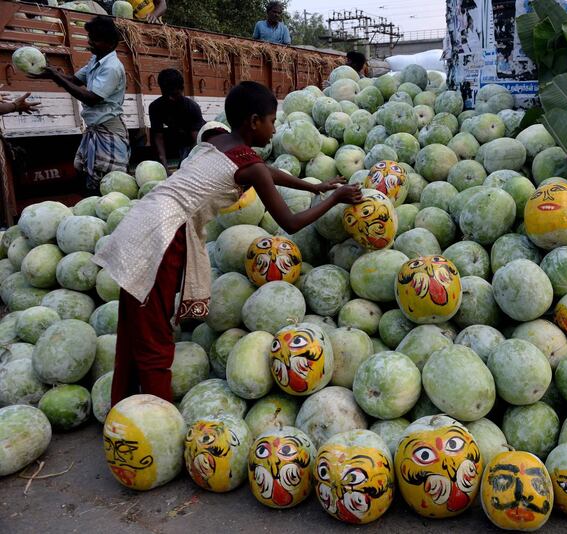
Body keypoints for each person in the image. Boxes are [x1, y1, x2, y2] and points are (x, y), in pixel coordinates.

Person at [93, 81, 361, 406]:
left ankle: (123, 406)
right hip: (161, 235)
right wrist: (334, 198)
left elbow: (267, 171)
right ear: (253, 121)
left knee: (134, 326)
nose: (275, 129)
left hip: (143, 221)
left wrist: (312, 187)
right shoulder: (250, 165)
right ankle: (153, 423)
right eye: (272, 121)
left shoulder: (220, 142)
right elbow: (290, 222)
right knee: (153, 337)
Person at [29, 16, 129, 195]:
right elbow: (74, 80)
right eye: (89, 38)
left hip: (109, 130)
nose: (90, 43)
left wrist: (56, 76)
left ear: (110, 42)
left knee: (110, 183)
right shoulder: (96, 59)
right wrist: (50, 73)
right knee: (87, 178)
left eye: (95, 40)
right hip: (95, 129)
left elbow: (91, 98)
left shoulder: (112, 67)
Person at [148, 68, 205, 168]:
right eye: (166, 94)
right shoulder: (155, 107)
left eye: (174, 94)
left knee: (186, 162)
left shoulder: (191, 107)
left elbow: (196, 142)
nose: (170, 98)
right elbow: (158, 137)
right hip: (176, 135)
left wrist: (184, 165)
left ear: (182, 89)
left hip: (194, 140)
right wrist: (163, 165)